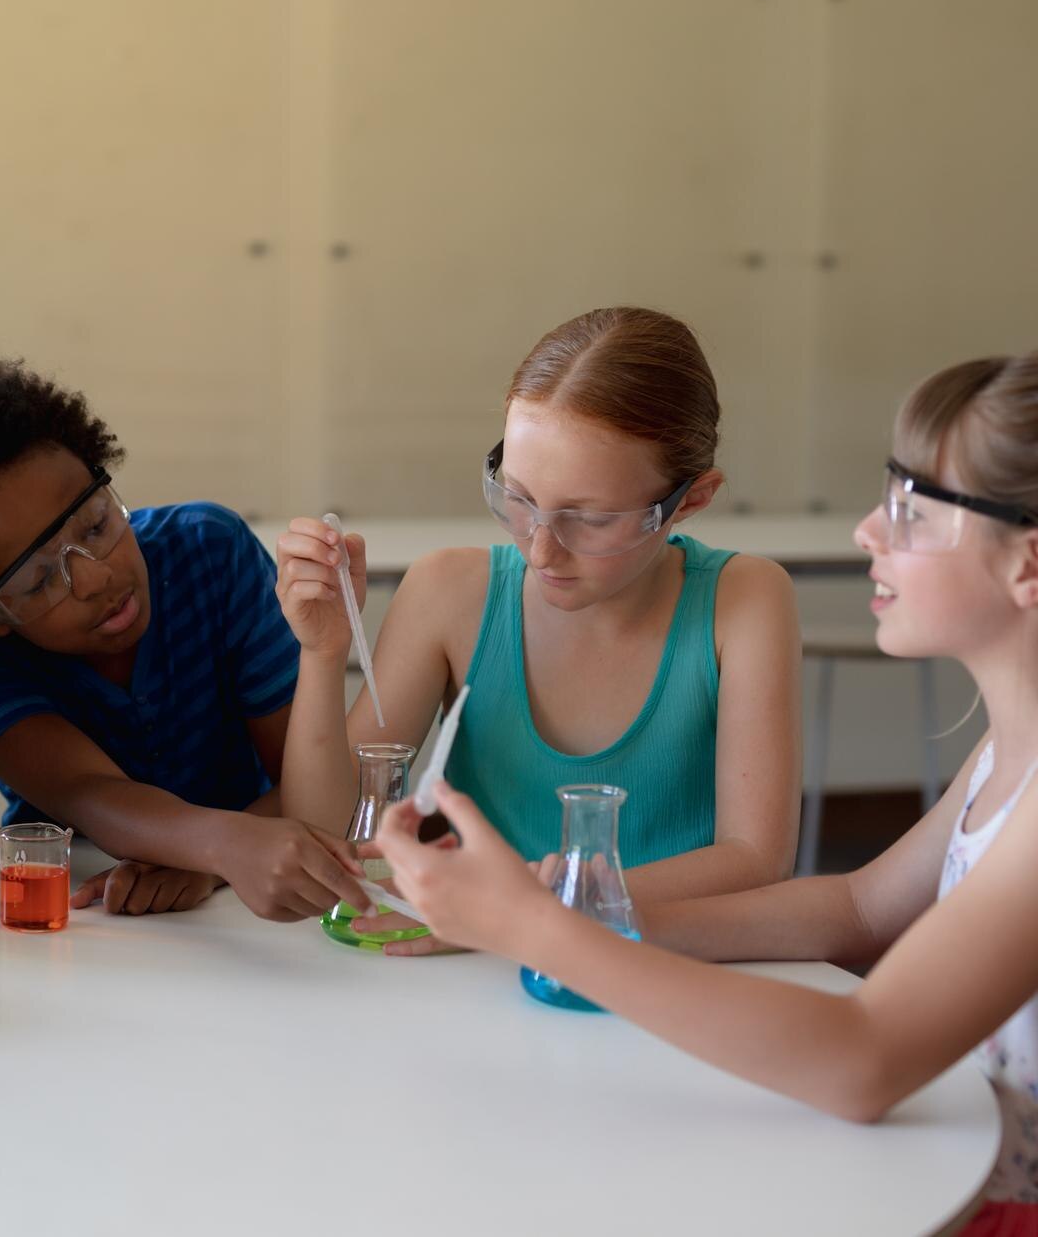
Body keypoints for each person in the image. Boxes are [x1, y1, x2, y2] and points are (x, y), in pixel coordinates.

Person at [378, 353, 1038, 1234]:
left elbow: (862, 1059)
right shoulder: (1006, 751)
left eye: (912, 512)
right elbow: (856, 906)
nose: (867, 532)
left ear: (1029, 563)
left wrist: (541, 932)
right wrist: (565, 908)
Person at [274, 307, 800, 952]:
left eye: (592, 518)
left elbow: (756, 860)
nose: (542, 550)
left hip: (671, 966)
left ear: (691, 499)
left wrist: (522, 910)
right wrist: (322, 653)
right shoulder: (450, 592)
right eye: (518, 499)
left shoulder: (742, 600)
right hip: (477, 973)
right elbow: (325, 832)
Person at [0, 359, 368, 921]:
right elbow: (87, 792)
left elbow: (307, 788)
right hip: (79, 910)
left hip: (249, 902)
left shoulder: (210, 552)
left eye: (98, 525)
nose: (98, 577)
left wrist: (210, 861)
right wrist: (222, 845)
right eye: (39, 579)